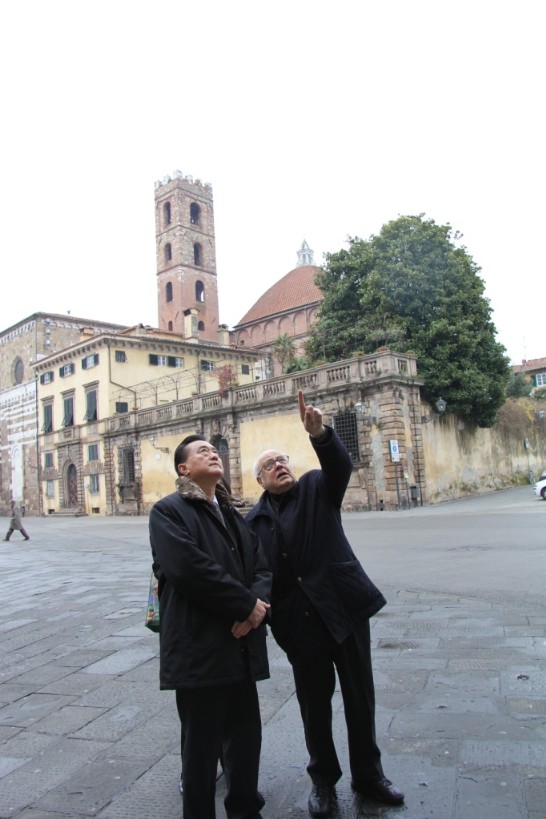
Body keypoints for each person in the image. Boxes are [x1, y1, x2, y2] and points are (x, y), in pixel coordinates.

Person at [246, 392, 404, 817]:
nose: (279, 465)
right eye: (268, 465)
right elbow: (254, 576)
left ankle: (369, 776)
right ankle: (323, 782)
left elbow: (340, 466)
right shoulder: (252, 523)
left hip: (344, 610)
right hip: (299, 627)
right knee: (314, 709)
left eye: (282, 459)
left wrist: (320, 434)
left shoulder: (317, 487)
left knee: (360, 699)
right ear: (258, 481)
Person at [149, 435, 271, 819]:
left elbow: (263, 565)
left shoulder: (235, 513)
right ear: (184, 469)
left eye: (214, 449)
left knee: (246, 736)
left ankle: (245, 808)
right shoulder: (167, 511)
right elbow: (188, 569)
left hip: (240, 643)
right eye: (201, 451)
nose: (212, 452)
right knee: (201, 751)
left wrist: (256, 606)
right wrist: (245, 605)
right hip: (199, 647)